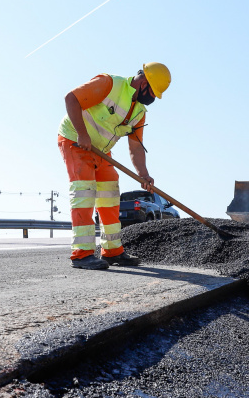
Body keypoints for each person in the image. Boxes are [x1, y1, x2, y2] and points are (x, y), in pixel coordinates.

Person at [58, 63, 171, 270]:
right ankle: (81, 254)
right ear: (144, 83)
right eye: (153, 93)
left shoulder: (139, 112)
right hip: (76, 140)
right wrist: (82, 134)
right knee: (85, 192)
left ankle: (112, 251)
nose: (153, 99)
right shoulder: (110, 84)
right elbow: (71, 99)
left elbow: (135, 147)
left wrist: (143, 175)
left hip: (101, 151)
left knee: (110, 194)